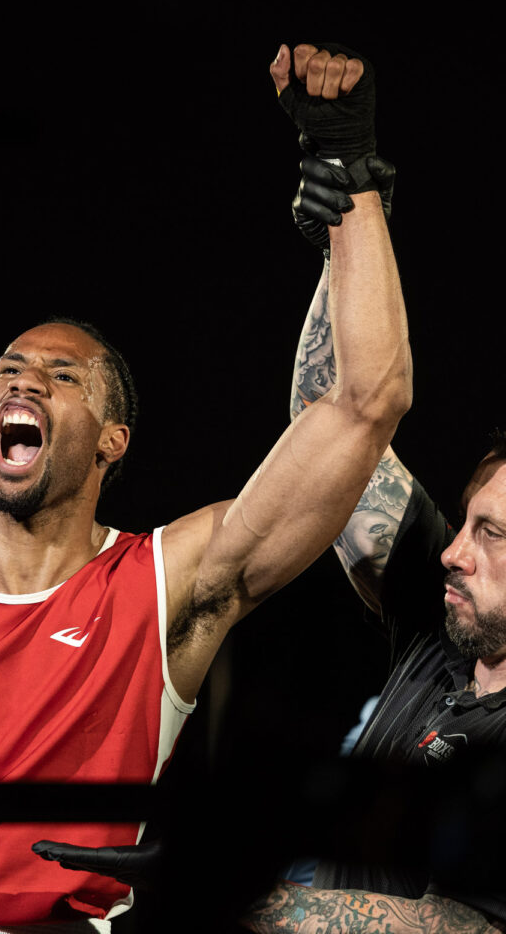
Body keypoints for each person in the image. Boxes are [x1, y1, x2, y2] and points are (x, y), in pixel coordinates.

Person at [0, 41, 412, 933]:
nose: (26, 382)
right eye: (9, 369)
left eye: (63, 377)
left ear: (114, 442)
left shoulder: (164, 585)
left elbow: (362, 404)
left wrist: (349, 177)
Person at [240, 130, 506, 931]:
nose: (453, 553)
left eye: (492, 534)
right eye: (465, 524)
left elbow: (462, 929)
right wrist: (345, 232)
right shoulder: (444, 624)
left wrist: (231, 894)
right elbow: (334, 434)